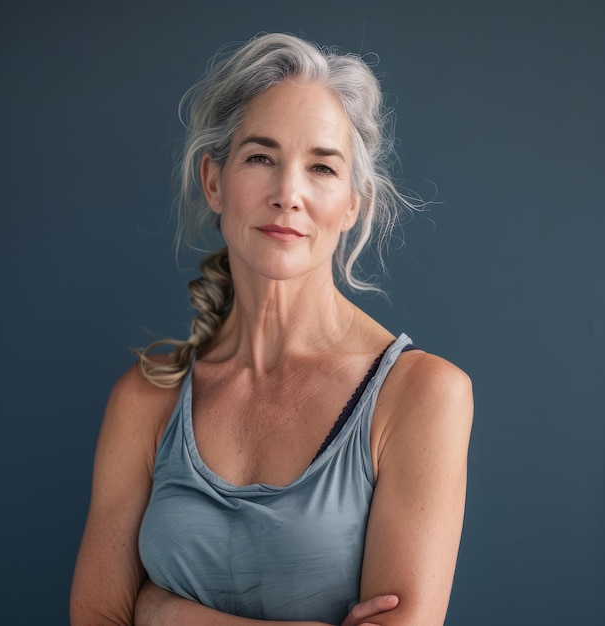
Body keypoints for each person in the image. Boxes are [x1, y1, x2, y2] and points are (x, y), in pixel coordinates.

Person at [70, 33, 473, 626]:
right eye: (261, 158)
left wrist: (164, 615)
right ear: (214, 181)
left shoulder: (421, 395)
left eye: (321, 167)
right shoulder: (147, 398)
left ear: (353, 203)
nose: (288, 195)